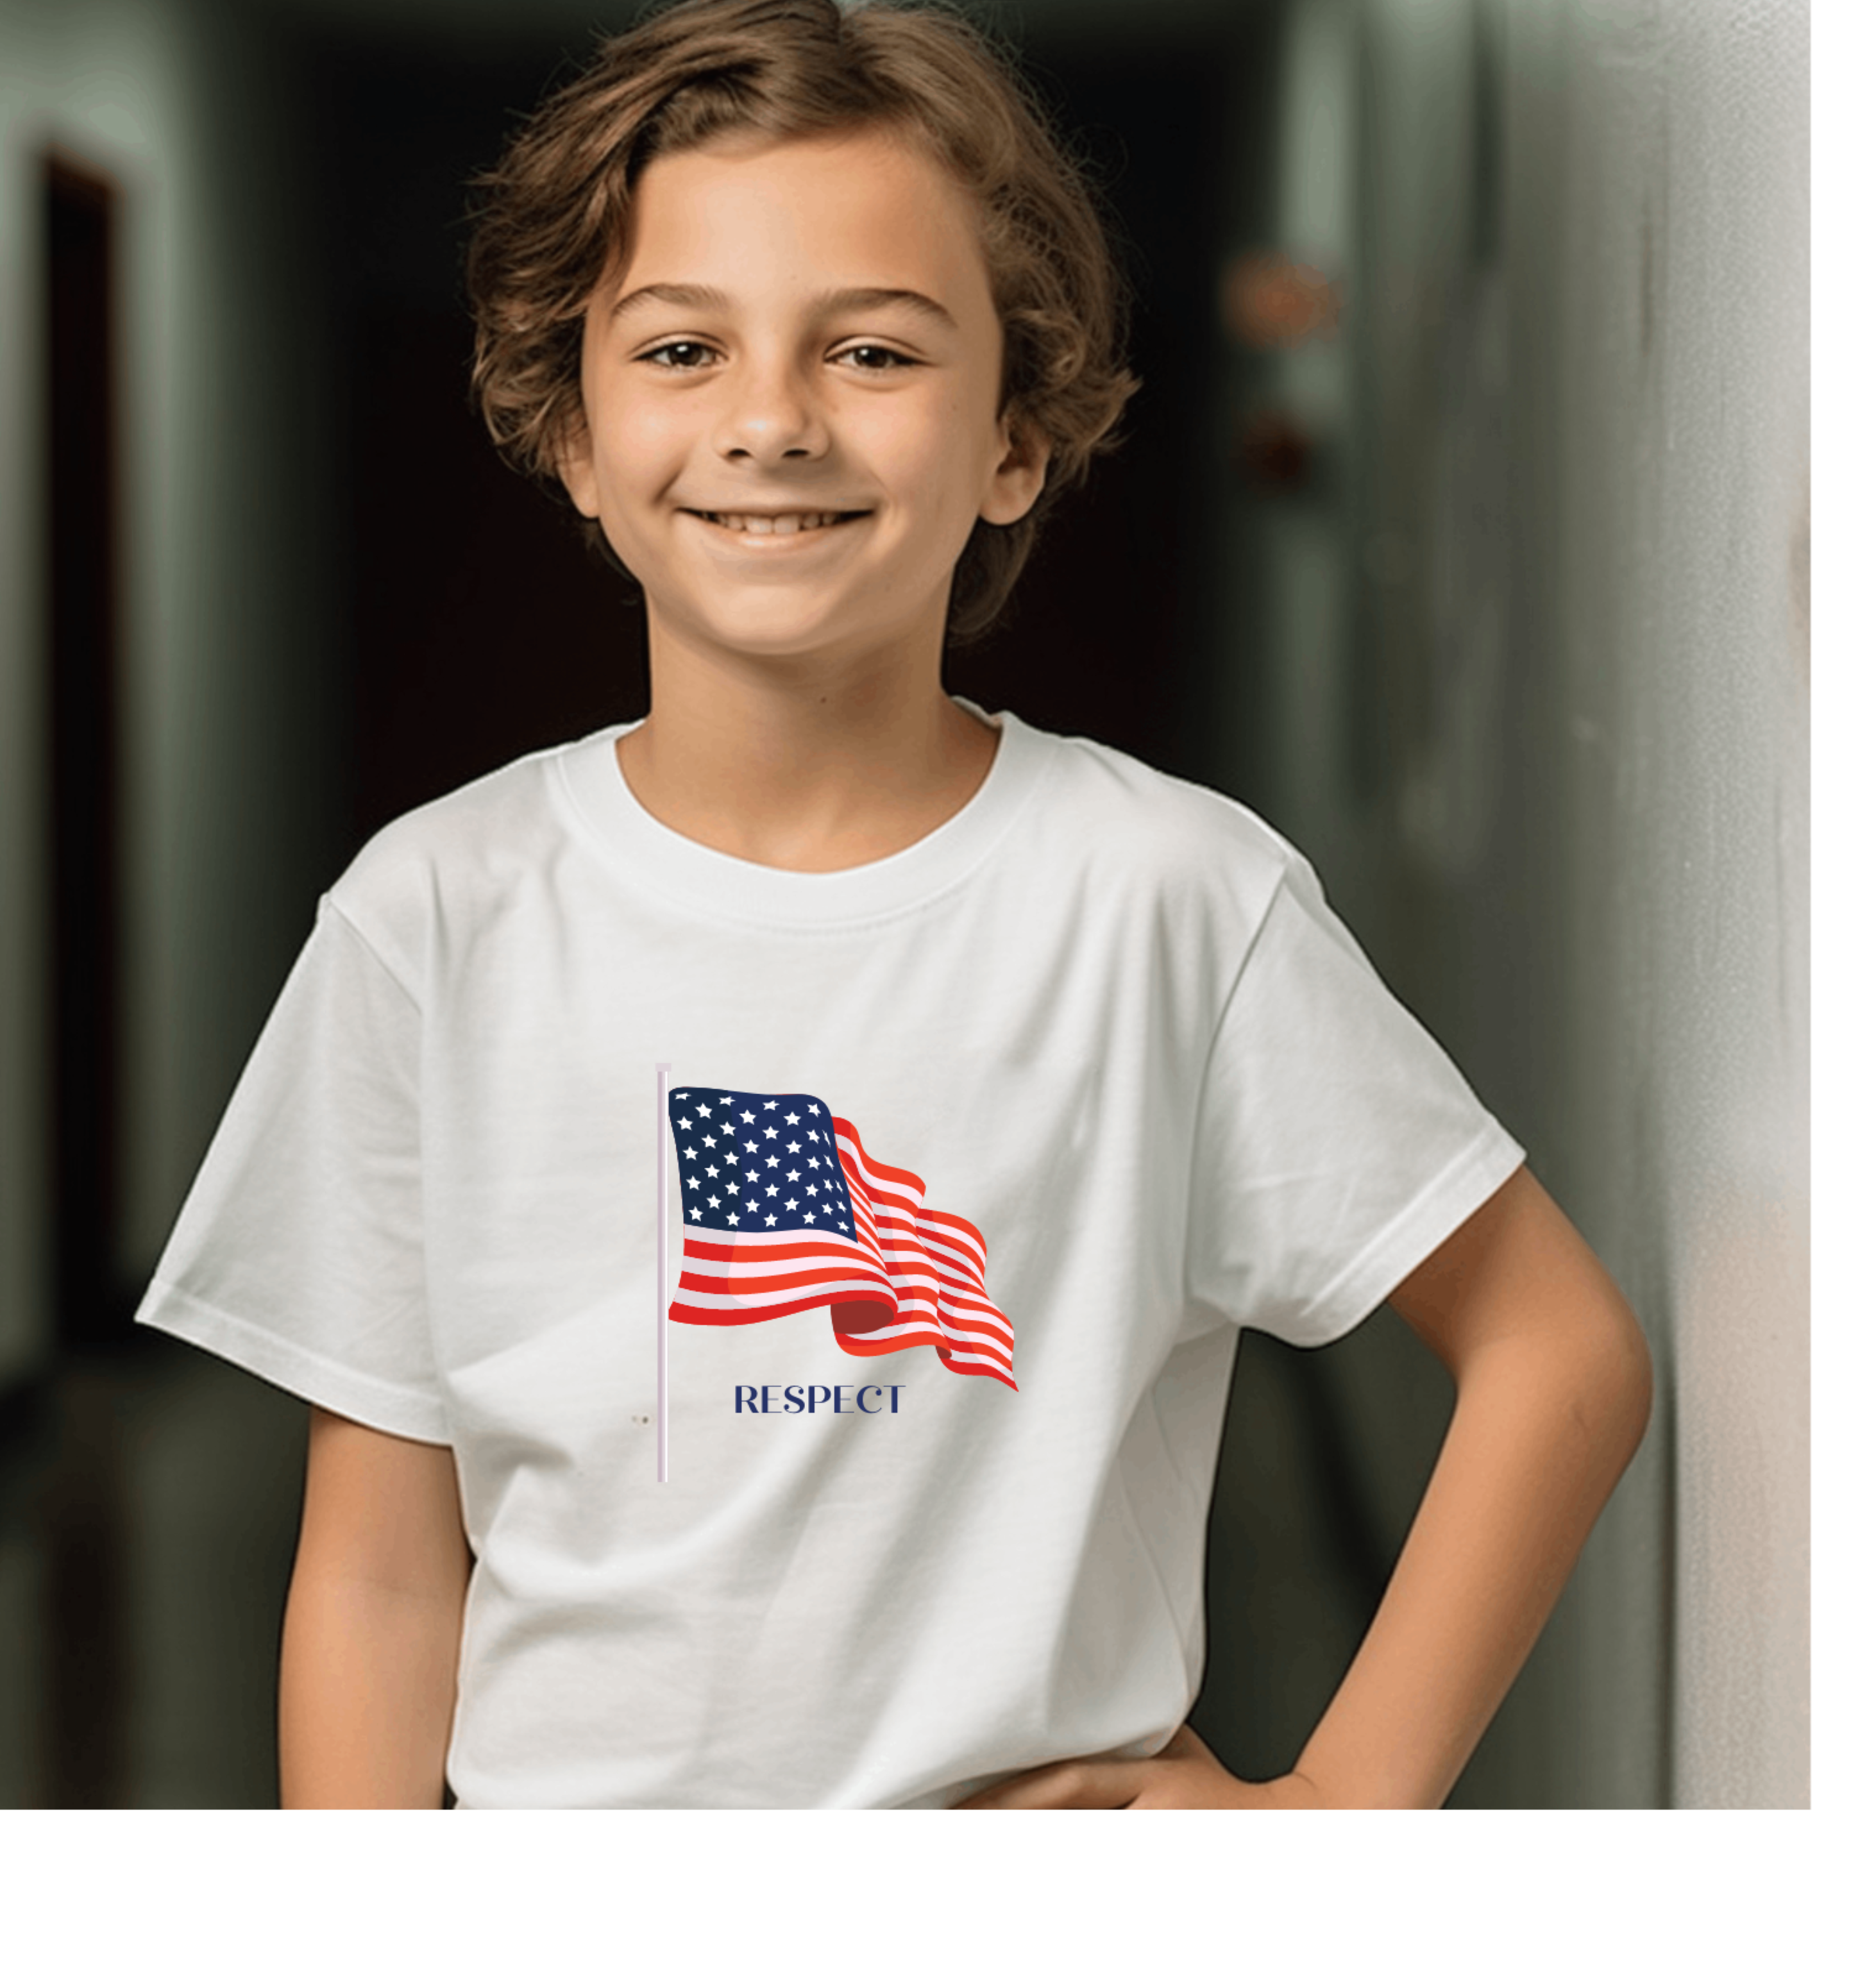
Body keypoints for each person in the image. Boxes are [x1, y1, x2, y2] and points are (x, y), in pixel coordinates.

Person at [135, 0, 1651, 1811]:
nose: (770, 422)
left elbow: (1557, 1346)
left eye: (871, 351)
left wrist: (1338, 1798)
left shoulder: (1167, 902)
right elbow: (381, 1577)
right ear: (574, 430)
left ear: (1015, 436)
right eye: (683, 347)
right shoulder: (434, 922)